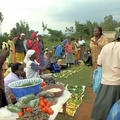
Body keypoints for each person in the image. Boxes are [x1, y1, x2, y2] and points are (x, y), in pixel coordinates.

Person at [92, 27, 120, 120]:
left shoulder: (106, 47)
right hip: (117, 84)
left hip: (105, 82)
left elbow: (99, 63)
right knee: (116, 111)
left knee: (102, 110)